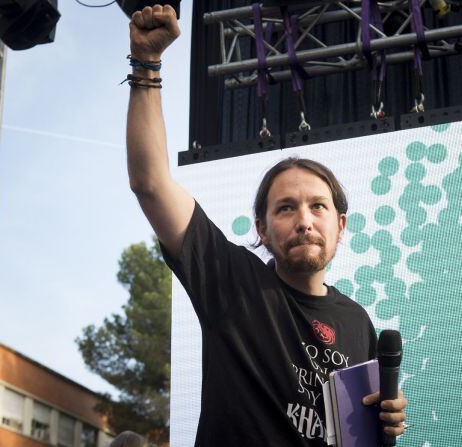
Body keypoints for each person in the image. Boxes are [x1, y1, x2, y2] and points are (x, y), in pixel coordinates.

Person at [126, 4, 408, 446]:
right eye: (285, 208)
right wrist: (147, 64)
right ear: (260, 227)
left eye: (318, 206)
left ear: (341, 224)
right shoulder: (230, 279)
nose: (304, 220)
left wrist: (384, 423)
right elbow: (150, 184)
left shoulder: (357, 323)